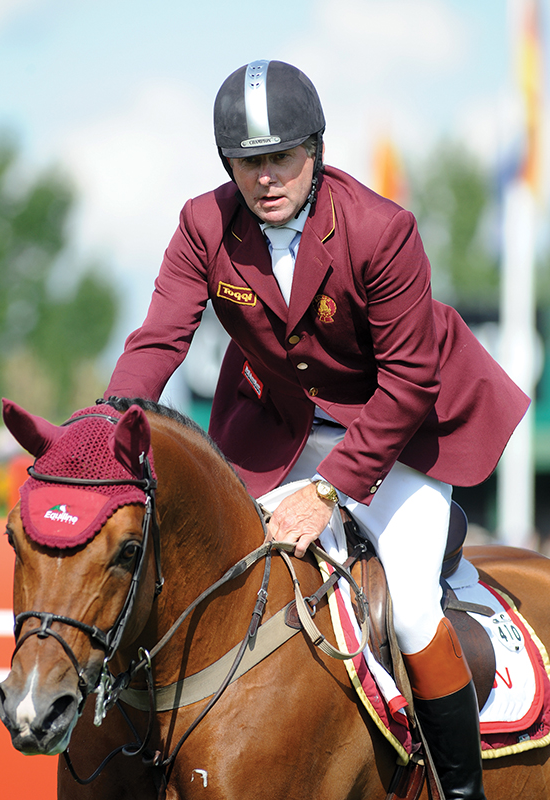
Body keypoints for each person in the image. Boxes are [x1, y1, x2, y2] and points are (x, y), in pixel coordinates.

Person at [104, 59, 529, 799]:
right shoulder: (204, 225)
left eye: (281, 158)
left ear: (315, 152)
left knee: (412, 605)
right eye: (247, 163)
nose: (266, 178)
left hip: (398, 435)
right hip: (280, 428)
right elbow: (159, 340)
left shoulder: (381, 229)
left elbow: (408, 382)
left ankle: (462, 792)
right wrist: (105, 433)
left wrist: (329, 493)